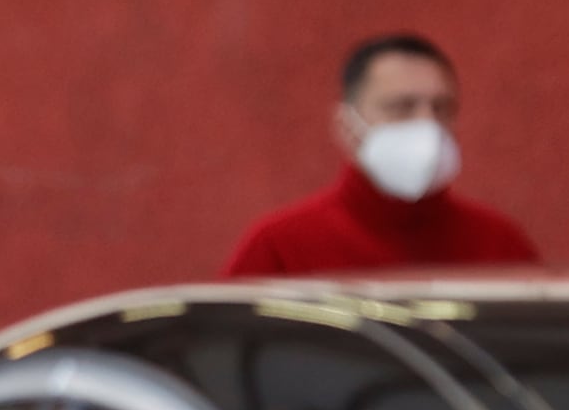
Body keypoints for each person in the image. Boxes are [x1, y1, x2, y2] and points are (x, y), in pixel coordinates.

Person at [222, 33, 542, 277]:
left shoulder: (500, 246)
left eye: (442, 108)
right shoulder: (280, 248)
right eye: (401, 108)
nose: (427, 124)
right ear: (347, 127)